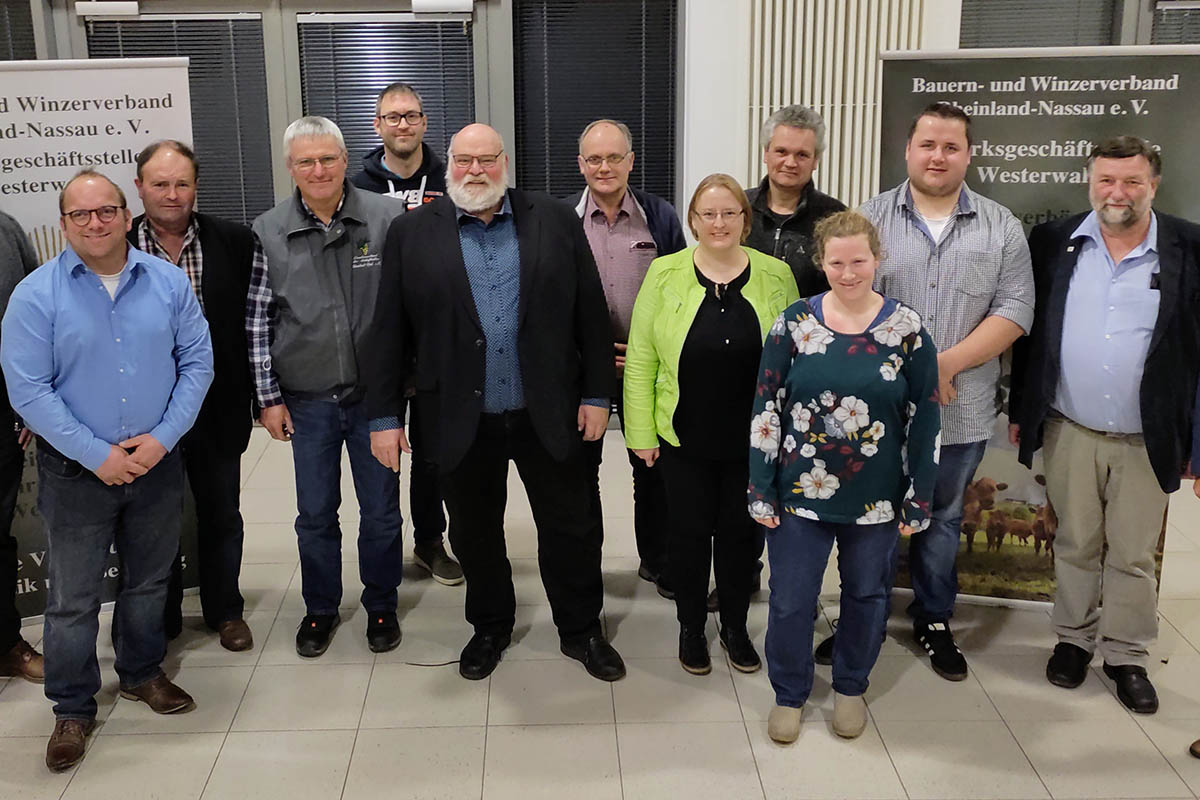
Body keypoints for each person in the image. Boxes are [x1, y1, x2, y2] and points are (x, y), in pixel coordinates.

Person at [366, 123, 626, 683]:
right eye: (464, 160)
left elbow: (590, 316)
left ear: (505, 162)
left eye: (487, 159)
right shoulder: (412, 234)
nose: (475, 170)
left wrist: (599, 394)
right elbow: (389, 330)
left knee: (571, 527)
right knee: (474, 532)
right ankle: (489, 627)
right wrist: (385, 418)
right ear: (448, 165)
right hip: (458, 415)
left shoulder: (554, 220)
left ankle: (581, 631)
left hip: (549, 410)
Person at [1, 170, 213, 771]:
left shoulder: (169, 283)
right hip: (75, 473)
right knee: (71, 599)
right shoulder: (36, 295)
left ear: (126, 215)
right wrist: (97, 453)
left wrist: (161, 440)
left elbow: (198, 363)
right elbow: (28, 390)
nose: (95, 223)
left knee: (148, 582)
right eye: (81, 215)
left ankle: (143, 673)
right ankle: (71, 707)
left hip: (156, 463)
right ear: (64, 223)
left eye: (106, 211)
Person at [815, 102, 1034, 681]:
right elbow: (843, 305)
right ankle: (861, 617)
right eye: (927, 145)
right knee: (870, 517)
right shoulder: (867, 219)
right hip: (876, 415)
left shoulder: (1000, 225)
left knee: (942, 519)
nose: (938, 156)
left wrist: (943, 363)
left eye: (951, 146)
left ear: (968, 153)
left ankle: (934, 619)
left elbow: (1015, 308)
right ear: (908, 150)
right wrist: (908, 370)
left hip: (959, 412)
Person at [1010, 136, 1200, 714]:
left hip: (1149, 436)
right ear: (1090, 182)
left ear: (1153, 184)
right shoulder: (1054, 242)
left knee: (1135, 554)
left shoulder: (1190, 247)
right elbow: (1030, 337)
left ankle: (1126, 655)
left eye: (1132, 182)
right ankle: (1072, 641)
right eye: (1106, 181)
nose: (1117, 193)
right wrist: (1024, 412)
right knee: (1073, 542)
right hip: (1070, 428)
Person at [748, 210, 940, 743]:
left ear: (877, 260)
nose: (849, 272)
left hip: (876, 497)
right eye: (837, 262)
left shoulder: (907, 328)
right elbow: (767, 406)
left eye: (859, 261)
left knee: (866, 595)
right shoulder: (793, 324)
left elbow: (925, 414)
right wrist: (759, 486)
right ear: (822, 263)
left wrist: (919, 495)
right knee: (790, 598)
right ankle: (790, 692)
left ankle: (852, 685)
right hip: (798, 493)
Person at [624, 173, 799, 677]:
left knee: (743, 538)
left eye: (730, 213)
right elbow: (641, 360)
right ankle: (690, 627)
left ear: (745, 221)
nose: (718, 222)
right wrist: (639, 433)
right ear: (693, 221)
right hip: (683, 436)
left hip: (754, 440)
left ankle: (737, 628)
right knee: (689, 535)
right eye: (708, 214)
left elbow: (793, 361)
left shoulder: (775, 275)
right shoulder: (664, 272)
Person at [246, 116, 405, 658]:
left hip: (375, 401)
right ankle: (320, 609)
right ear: (291, 168)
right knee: (315, 513)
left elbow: (410, 308)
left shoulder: (387, 217)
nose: (318, 170)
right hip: (307, 400)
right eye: (306, 161)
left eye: (328, 159)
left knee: (381, 510)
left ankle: (382, 601)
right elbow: (258, 321)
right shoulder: (267, 230)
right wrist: (267, 399)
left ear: (345, 162)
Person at [713, 104, 846, 615]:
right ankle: (739, 579)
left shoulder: (834, 219)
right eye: (782, 151)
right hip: (738, 377)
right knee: (745, 486)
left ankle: (797, 589)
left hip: (808, 382)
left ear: (816, 159)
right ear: (766, 152)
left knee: (798, 492)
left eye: (803, 153)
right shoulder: (736, 211)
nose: (791, 161)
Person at [127, 140, 256, 652]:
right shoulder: (118, 244)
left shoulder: (235, 241)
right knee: (154, 519)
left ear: (196, 187)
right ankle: (163, 615)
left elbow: (254, 325)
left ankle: (225, 609)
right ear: (139, 188)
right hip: (143, 413)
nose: (172, 194)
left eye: (182, 183)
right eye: (160, 184)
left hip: (217, 407)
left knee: (221, 511)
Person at [568, 118, 687, 598]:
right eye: (594, 158)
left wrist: (650, 350)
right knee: (579, 472)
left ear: (630, 162)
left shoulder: (659, 217)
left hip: (647, 368)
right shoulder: (562, 221)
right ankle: (584, 565)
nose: (604, 167)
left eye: (613, 157)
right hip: (583, 370)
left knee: (653, 468)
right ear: (581, 165)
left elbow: (682, 288)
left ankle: (657, 561)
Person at [351, 82, 461, 585]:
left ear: (423, 123)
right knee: (383, 443)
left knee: (434, 452)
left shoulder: (453, 177)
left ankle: (430, 542)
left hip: (439, 337)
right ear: (377, 126)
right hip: (381, 337)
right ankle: (384, 541)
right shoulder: (358, 187)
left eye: (412, 115)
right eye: (392, 117)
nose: (402, 124)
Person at [0, 209, 42, 683]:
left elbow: (34, 322)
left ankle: (5, 643)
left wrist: (27, 404)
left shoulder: (6, 230)